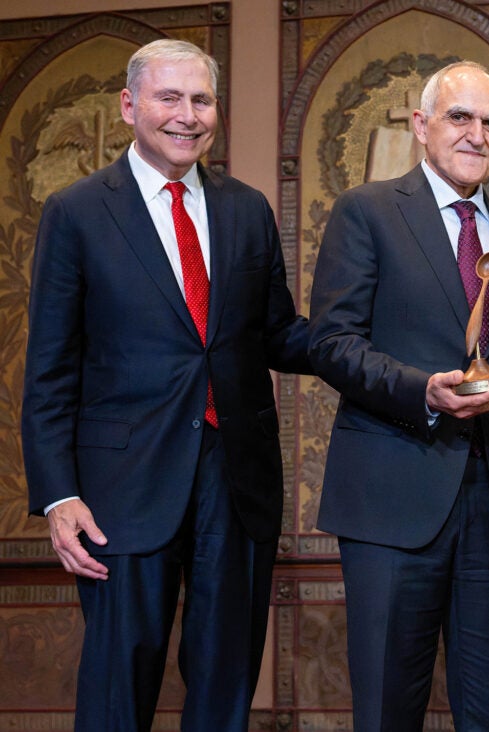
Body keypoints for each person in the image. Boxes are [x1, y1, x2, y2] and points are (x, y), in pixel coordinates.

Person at [21, 39, 310, 731]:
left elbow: (282, 334)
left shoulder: (247, 209)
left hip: (235, 483)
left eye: (202, 99)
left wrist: (377, 345)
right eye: (169, 98)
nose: (187, 115)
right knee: (119, 691)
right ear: (130, 106)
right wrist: (58, 496)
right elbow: (50, 370)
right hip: (121, 491)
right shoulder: (78, 212)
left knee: (224, 685)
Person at [308, 60, 489, 730]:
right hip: (393, 502)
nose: (476, 134)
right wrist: (422, 391)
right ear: (422, 126)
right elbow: (331, 342)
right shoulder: (366, 213)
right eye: (460, 117)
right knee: (389, 711)